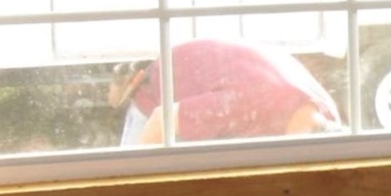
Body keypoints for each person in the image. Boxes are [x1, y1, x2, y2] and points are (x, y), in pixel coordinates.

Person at [110, 39, 343, 145]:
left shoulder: (328, 115)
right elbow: (160, 122)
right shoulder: (245, 106)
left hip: (219, 78)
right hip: (158, 100)